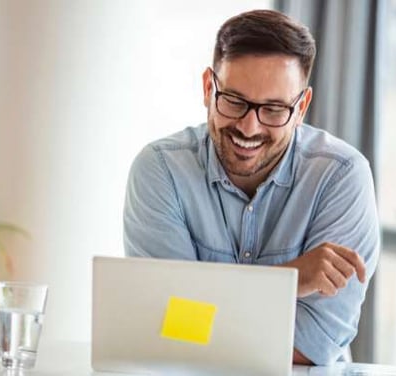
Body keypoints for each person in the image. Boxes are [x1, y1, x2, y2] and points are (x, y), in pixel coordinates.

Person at [123, 9, 379, 366]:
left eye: (274, 109)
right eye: (235, 101)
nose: (249, 127)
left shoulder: (341, 177)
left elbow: (312, 346)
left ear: (301, 106)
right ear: (208, 88)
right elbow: (164, 325)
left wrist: (200, 314)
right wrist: (290, 279)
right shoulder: (161, 171)